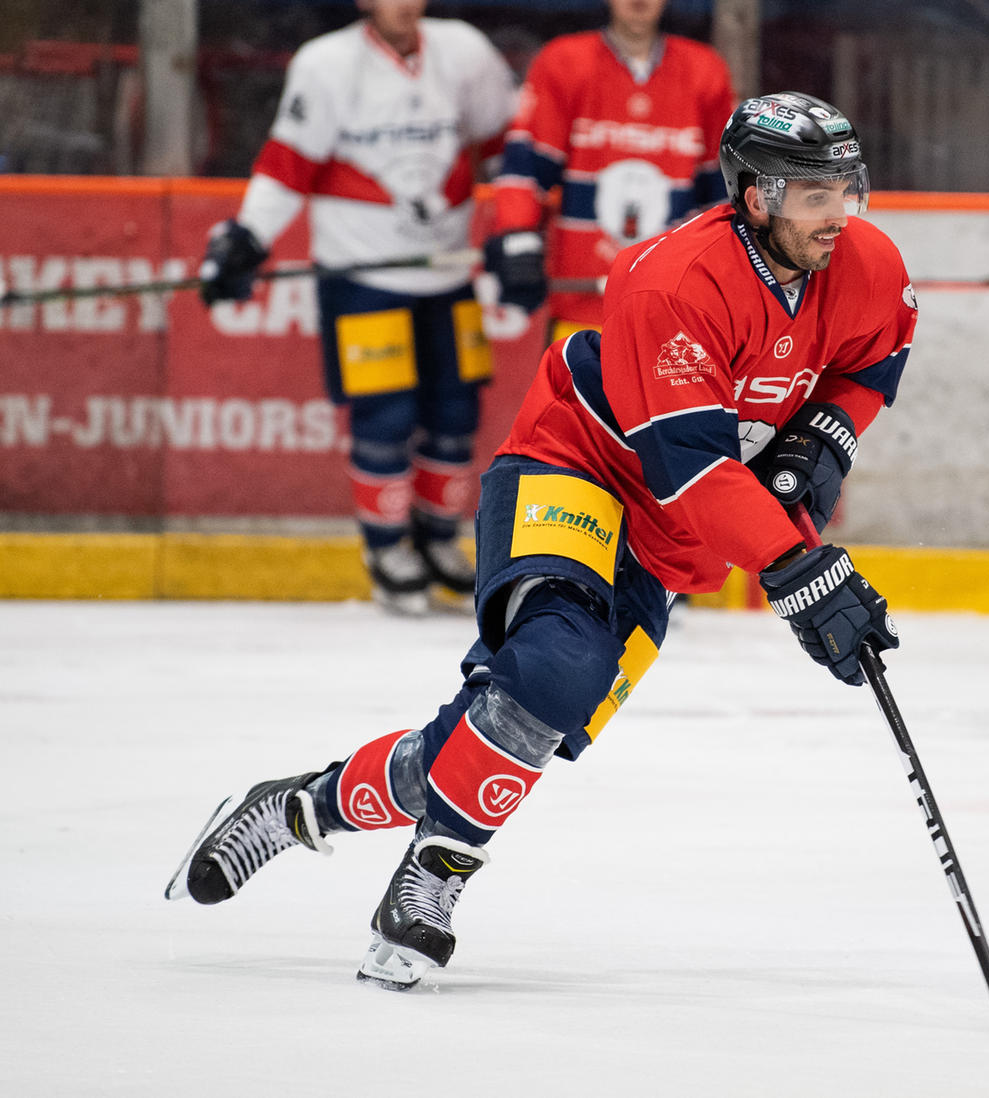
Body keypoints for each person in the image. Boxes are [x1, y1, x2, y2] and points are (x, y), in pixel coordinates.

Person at [166, 93, 917, 991]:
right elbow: (686, 465)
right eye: (813, 197)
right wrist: (796, 565)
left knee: (522, 718)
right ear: (756, 197)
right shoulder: (674, 279)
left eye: (846, 191)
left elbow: (875, 357)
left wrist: (823, 441)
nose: (838, 217)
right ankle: (431, 879)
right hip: (578, 466)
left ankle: (297, 810)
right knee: (560, 664)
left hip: (677, 535)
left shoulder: (865, 262)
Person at [198, 0, 518, 614]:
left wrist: (520, 230)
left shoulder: (463, 52)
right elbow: (289, 165)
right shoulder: (326, 64)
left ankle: (437, 538)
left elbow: (508, 147)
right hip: (363, 273)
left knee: (455, 413)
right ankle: (386, 548)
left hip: (447, 269)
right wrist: (247, 237)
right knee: (385, 416)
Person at [487, 0, 736, 342]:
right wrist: (516, 235)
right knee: (581, 407)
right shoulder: (563, 63)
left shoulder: (704, 71)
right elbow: (526, 170)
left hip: (673, 296)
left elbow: (721, 189)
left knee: (666, 410)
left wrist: (733, 261)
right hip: (582, 298)